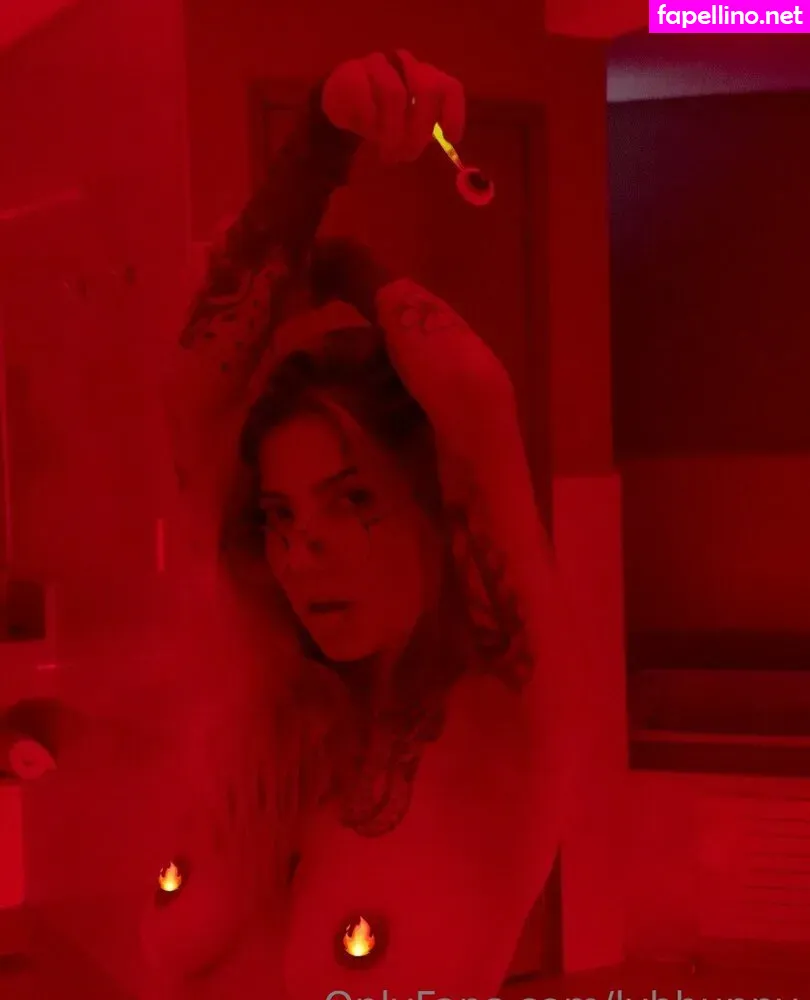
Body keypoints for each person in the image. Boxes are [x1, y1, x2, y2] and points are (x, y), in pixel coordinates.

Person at [140, 50, 583, 999]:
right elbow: (186, 401)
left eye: (352, 501)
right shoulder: (278, 724)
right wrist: (315, 142)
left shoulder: (500, 729)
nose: (305, 555)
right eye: (281, 515)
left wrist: (349, 262)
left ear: (430, 509)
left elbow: (475, 400)